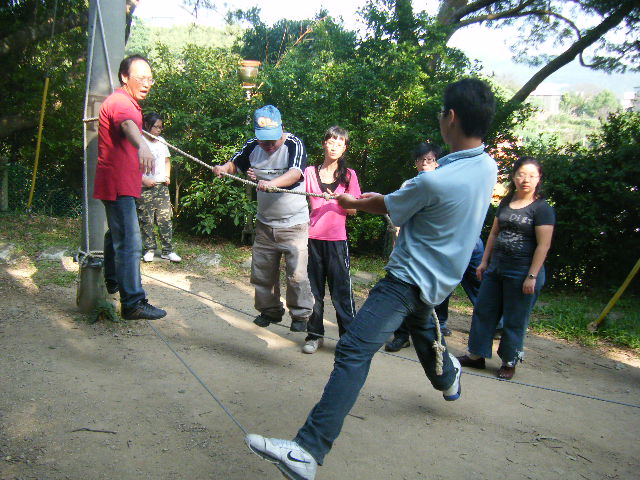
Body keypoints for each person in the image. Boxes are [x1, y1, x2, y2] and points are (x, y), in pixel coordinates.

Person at [245, 78, 498, 480]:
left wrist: (353, 201)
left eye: (441, 112)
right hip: (439, 282)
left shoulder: (433, 180)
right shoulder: (487, 166)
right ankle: (449, 377)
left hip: (406, 280)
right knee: (424, 330)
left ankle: (308, 449)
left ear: (450, 117)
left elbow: (386, 205)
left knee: (352, 350)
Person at [212, 105, 313, 332]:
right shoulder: (252, 146)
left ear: (282, 129)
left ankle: (300, 315)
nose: (268, 144)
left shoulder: (293, 144)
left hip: (294, 224)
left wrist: (272, 183)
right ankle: (270, 311)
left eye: (272, 139)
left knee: (297, 274)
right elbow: (235, 163)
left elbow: (296, 173)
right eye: (263, 139)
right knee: (262, 272)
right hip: (265, 223)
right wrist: (223, 168)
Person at [458, 156, 555, 380]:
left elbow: (544, 245)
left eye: (532, 175)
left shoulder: (542, 208)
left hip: (522, 272)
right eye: (521, 174)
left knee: (515, 318)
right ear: (514, 176)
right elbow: (494, 233)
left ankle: (509, 361)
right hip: (496, 268)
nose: (526, 180)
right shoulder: (506, 202)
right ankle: (476, 355)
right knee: (484, 310)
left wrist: (532, 276)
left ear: (539, 179)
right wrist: (484, 262)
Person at [384, 141, 484, 351]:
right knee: (406, 289)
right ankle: (402, 335)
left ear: (438, 162)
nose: (425, 164)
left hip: (439, 251)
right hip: (414, 251)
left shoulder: (448, 185)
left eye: (429, 160)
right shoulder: (410, 184)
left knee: (438, 292)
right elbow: (398, 216)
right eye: (421, 160)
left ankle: (438, 332)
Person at [93, 54, 166, 321]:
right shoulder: (120, 102)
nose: (146, 83)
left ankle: (113, 279)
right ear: (125, 77)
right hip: (117, 185)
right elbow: (126, 125)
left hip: (122, 183)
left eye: (150, 79)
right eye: (141, 78)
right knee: (130, 243)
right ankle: (133, 303)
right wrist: (143, 145)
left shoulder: (129, 102)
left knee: (117, 234)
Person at [302, 126, 361, 354]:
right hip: (312, 238)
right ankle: (314, 335)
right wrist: (261, 178)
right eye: (331, 142)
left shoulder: (349, 175)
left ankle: (348, 340)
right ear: (324, 144)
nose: (334, 147)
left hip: (337, 241)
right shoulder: (309, 172)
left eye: (340, 143)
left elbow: (354, 210)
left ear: (345, 148)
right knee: (312, 291)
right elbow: (292, 193)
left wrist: (341, 199)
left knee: (341, 292)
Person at [137, 112, 182, 263]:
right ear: (147, 125)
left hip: (161, 186)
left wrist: (167, 176)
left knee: (165, 219)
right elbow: (130, 166)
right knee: (146, 219)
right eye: (156, 127)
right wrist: (144, 179)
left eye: (160, 127)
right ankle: (149, 249)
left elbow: (167, 160)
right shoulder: (139, 140)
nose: (158, 130)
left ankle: (167, 251)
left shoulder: (162, 141)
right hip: (144, 187)